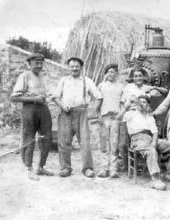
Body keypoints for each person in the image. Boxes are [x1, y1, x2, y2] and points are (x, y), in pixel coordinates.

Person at [117, 95, 170, 190]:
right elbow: (118, 118)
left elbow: (155, 132)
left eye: (144, 102)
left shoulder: (149, 117)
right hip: (138, 139)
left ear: (148, 105)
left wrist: (154, 142)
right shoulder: (130, 114)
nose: (141, 104)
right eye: (139, 102)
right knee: (151, 150)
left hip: (150, 138)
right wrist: (125, 107)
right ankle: (155, 179)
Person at [53, 57, 103, 178]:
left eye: (77, 66)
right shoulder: (63, 81)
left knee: (85, 142)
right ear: (68, 68)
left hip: (82, 113)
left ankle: (87, 168)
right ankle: (65, 168)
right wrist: (63, 106)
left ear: (81, 68)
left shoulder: (87, 81)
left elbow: (99, 97)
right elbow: (55, 97)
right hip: (66, 113)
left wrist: (92, 111)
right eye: (72, 66)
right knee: (64, 142)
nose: (74, 68)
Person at [11, 53, 54, 181]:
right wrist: (33, 98)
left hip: (43, 108)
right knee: (29, 138)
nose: (39, 65)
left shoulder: (42, 76)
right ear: (29, 64)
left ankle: (41, 167)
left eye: (41, 63)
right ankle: (29, 169)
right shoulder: (24, 76)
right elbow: (14, 97)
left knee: (47, 137)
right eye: (36, 63)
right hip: (30, 109)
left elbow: (45, 94)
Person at [118, 67, 168, 171]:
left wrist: (156, 89)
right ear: (133, 77)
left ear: (144, 77)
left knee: (142, 141)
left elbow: (165, 91)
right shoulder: (128, 87)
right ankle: (127, 165)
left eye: (140, 76)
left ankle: (142, 165)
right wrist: (124, 112)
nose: (138, 78)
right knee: (123, 143)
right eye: (136, 76)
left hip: (142, 117)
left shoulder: (147, 88)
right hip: (129, 116)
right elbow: (122, 103)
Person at [97, 64, 126, 178]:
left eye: (113, 72)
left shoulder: (121, 87)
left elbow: (123, 104)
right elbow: (98, 103)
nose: (110, 74)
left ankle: (113, 169)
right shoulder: (101, 86)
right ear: (106, 74)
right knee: (104, 143)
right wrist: (99, 115)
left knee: (114, 144)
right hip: (105, 117)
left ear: (117, 74)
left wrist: (120, 115)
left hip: (115, 118)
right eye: (108, 72)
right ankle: (104, 168)